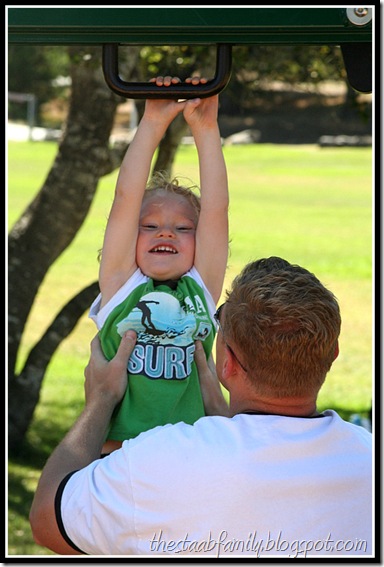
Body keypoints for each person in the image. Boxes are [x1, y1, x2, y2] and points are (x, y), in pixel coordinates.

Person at [29, 257, 373, 558]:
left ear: (227, 363)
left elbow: (47, 519)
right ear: (332, 356)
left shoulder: (162, 459)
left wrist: (100, 401)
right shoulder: (370, 462)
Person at [89, 76, 229, 451]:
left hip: (189, 455)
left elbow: (216, 210)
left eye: (183, 228)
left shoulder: (200, 290)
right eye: (149, 226)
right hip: (120, 453)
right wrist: (151, 124)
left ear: (198, 242)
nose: (165, 233)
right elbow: (124, 200)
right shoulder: (121, 287)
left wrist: (206, 128)